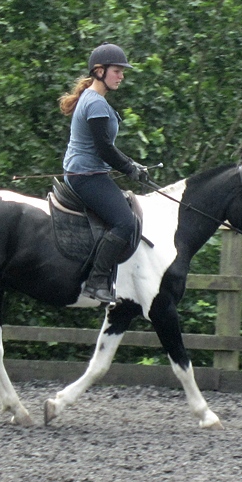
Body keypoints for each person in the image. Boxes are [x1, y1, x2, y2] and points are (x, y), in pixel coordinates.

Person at [59, 43, 149, 303]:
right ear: (100, 71)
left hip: (86, 172)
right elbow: (105, 149)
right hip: (87, 176)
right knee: (125, 222)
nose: (121, 76)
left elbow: (106, 148)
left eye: (122, 72)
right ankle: (96, 281)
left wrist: (132, 164)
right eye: (117, 71)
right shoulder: (96, 104)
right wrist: (129, 168)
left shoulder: (92, 99)